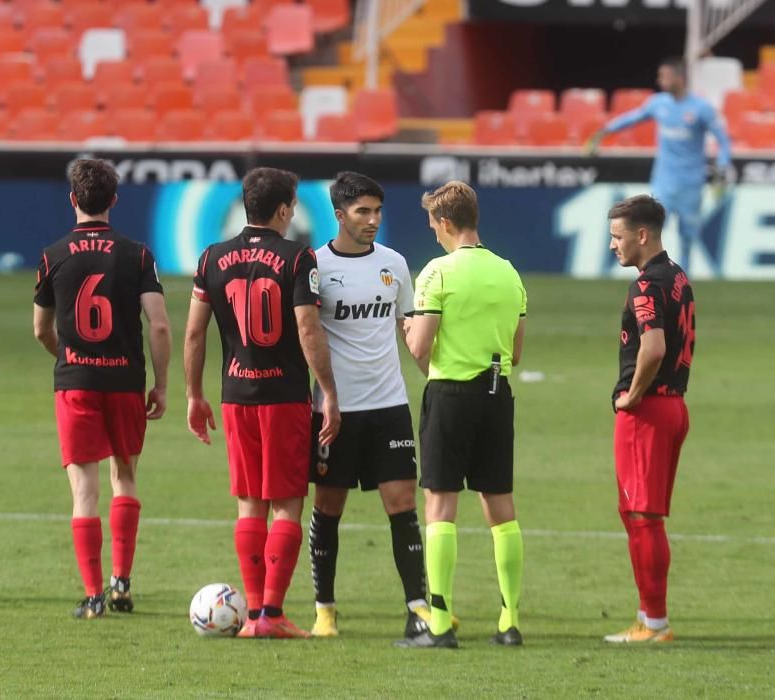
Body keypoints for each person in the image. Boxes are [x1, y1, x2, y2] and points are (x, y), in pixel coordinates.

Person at [184, 166, 340, 639]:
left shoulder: (211, 257)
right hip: (285, 398)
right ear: (281, 210)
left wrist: (194, 394)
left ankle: (252, 615)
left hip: (236, 396)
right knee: (287, 505)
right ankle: (272, 613)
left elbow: (194, 331)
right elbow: (307, 328)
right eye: (291, 206)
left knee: (249, 504)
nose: (293, 213)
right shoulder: (298, 258)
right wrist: (329, 391)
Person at [33, 158, 171, 619]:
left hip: (76, 381)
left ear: (73, 199)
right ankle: (122, 583)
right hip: (125, 380)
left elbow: (41, 330)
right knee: (125, 476)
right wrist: (162, 384)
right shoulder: (137, 254)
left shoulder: (53, 255)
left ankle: (93, 597)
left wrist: (68, 359)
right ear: (114, 200)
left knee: (84, 491)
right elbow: (160, 325)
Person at [307, 171, 441, 640]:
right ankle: (325, 608)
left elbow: (410, 330)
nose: (373, 220)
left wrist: (436, 378)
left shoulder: (395, 263)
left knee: (403, 505)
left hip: (389, 405)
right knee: (328, 507)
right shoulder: (316, 266)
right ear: (339, 215)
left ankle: (417, 606)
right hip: (334, 410)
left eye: (378, 211)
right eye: (363, 211)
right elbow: (307, 334)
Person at [396, 181, 527, 649]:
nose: (432, 233)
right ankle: (509, 621)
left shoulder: (436, 274)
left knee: (440, 506)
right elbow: (515, 350)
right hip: (497, 395)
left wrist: (409, 330)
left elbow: (421, 349)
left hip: (450, 394)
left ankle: (440, 623)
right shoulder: (510, 273)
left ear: (446, 222)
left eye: (434, 224)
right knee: (501, 509)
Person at [603, 194, 695, 644]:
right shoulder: (677, 276)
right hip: (675, 406)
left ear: (642, 236)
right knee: (641, 514)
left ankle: (654, 622)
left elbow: (653, 347)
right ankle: (648, 616)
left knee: (642, 516)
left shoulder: (645, 286)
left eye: (618, 237)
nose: (612, 246)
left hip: (649, 410)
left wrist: (631, 395)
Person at [587, 56, 732, 272]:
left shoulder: (701, 109)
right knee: (650, 229)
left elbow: (723, 140)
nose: (660, 80)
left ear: (680, 78)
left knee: (687, 235)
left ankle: (683, 277)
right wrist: (605, 131)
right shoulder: (659, 103)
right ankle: (650, 274)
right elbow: (633, 118)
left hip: (691, 183)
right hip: (664, 181)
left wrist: (722, 166)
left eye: (665, 76)